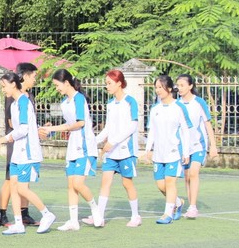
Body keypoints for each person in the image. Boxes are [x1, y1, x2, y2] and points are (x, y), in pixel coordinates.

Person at [0, 72, 56, 235]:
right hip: (17, 153)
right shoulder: (14, 104)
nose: (3, 89)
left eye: (4, 86)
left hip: (27, 153)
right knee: (13, 187)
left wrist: (2, 139)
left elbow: (24, 129)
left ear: (13, 84)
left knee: (22, 189)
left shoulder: (24, 102)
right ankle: (18, 223)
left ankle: (47, 214)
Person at [39, 69, 99, 231]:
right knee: (71, 185)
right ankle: (73, 221)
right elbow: (68, 124)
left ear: (66, 83)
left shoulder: (79, 98)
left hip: (85, 146)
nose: (56, 88)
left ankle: (95, 209)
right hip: (73, 147)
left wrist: (54, 129)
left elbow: (80, 123)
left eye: (57, 85)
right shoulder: (64, 103)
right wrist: (50, 129)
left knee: (78, 184)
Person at [91, 70, 141, 227]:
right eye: (106, 83)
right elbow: (108, 127)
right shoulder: (110, 104)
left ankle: (135, 216)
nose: (107, 86)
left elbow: (132, 126)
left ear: (119, 83)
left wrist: (113, 142)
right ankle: (99, 217)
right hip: (112, 152)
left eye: (109, 83)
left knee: (127, 183)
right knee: (105, 182)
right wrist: (94, 141)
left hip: (126, 151)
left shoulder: (130, 102)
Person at [143, 75, 192, 224]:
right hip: (159, 153)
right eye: (156, 87)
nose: (158, 90)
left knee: (170, 182)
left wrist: (186, 152)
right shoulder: (155, 109)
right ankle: (178, 203)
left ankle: (167, 214)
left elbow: (185, 130)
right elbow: (152, 130)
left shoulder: (179, 107)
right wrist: (147, 149)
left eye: (161, 87)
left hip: (174, 152)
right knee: (161, 185)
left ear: (169, 88)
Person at [0, 63, 39, 227]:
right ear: (25, 76)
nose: (35, 80)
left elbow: (28, 123)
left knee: (23, 182)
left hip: (23, 141)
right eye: (33, 76)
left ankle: (23, 213)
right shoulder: (12, 98)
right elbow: (13, 123)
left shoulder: (27, 97)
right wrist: (13, 135)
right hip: (15, 142)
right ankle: (2, 214)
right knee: (10, 179)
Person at [176, 74, 219, 219]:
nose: (179, 88)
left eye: (182, 85)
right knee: (187, 176)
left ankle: (193, 207)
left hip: (198, 145)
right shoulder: (177, 104)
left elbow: (207, 124)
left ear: (190, 86)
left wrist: (213, 146)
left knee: (194, 172)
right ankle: (190, 205)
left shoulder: (199, 102)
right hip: (184, 147)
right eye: (178, 85)